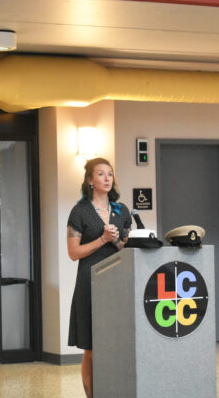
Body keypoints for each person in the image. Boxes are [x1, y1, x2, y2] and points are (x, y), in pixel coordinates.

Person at [66, 157, 131, 398]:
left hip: (118, 282)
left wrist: (115, 239)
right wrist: (102, 239)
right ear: (90, 180)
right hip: (90, 283)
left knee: (116, 344)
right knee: (92, 347)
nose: (107, 179)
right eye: (101, 174)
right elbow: (73, 253)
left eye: (110, 174)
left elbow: (127, 248)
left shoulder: (121, 210)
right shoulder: (80, 211)